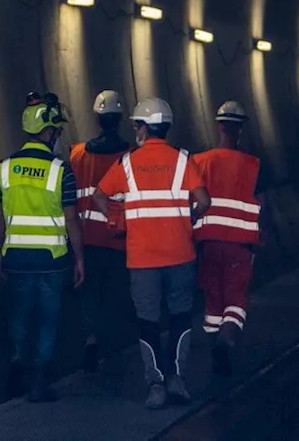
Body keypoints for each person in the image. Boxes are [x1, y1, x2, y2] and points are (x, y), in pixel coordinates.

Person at [89, 98, 211, 409]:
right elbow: (204, 200)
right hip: (181, 255)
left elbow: (99, 195)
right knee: (182, 317)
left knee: (148, 321)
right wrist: (190, 218)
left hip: (142, 259)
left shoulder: (128, 163)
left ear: (143, 127)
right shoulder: (183, 160)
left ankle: (155, 385)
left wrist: (118, 218)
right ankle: (178, 380)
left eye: (136, 125)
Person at [0, 92, 85, 403]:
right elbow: (71, 220)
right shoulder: (60, 171)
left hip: (17, 258)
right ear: (48, 132)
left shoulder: (4, 168)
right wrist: (79, 259)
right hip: (52, 260)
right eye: (57, 132)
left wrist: (0, 253)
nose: (58, 137)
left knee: (20, 312)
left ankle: (17, 363)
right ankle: (39, 381)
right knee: (48, 318)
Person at [192, 101, 264, 377]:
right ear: (241, 129)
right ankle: (226, 341)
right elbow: (262, 205)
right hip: (240, 246)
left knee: (213, 300)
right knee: (236, 300)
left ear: (219, 125)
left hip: (208, 243)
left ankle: (215, 349)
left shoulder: (199, 162)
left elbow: (192, 204)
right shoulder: (252, 164)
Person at [70, 90, 132, 372]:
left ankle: (91, 339)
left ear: (96, 117)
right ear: (120, 119)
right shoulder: (131, 156)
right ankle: (112, 347)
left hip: (86, 237)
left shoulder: (78, 154)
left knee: (89, 293)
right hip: (118, 238)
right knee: (115, 293)